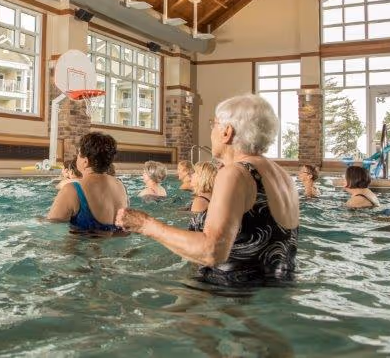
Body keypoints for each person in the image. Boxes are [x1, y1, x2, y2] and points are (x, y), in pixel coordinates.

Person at [116, 94, 299, 286]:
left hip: (228, 299)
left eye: (214, 123)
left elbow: (212, 251)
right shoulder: (283, 176)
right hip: (268, 295)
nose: (211, 130)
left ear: (227, 132)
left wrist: (145, 225)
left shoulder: (235, 173)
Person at [47, 132, 128, 233]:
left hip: (81, 247)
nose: (77, 157)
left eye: (78, 154)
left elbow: (49, 226)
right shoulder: (120, 186)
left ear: (85, 161)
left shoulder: (72, 190)